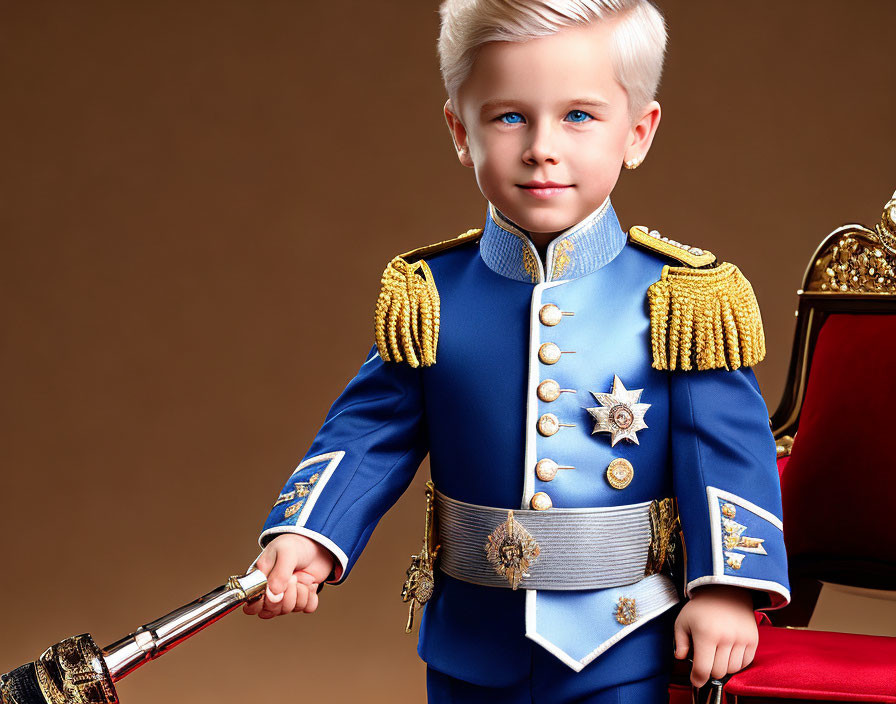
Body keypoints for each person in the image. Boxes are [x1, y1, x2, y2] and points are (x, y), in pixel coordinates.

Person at [243, 1, 790, 701]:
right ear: (459, 131)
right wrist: (308, 536)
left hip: (624, 636)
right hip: (472, 632)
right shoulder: (432, 295)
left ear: (638, 132)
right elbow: (369, 435)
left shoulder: (681, 298)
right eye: (508, 117)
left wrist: (727, 588)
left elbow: (727, 453)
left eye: (580, 116)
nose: (542, 147)